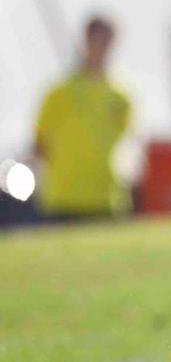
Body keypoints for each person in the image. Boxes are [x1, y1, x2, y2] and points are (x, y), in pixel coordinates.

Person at [32, 16, 133, 222]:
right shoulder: (60, 93)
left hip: (106, 198)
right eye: (98, 39)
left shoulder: (122, 96)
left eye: (107, 41)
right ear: (86, 40)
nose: (103, 47)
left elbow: (125, 144)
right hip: (64, 199)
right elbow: (39, 144)